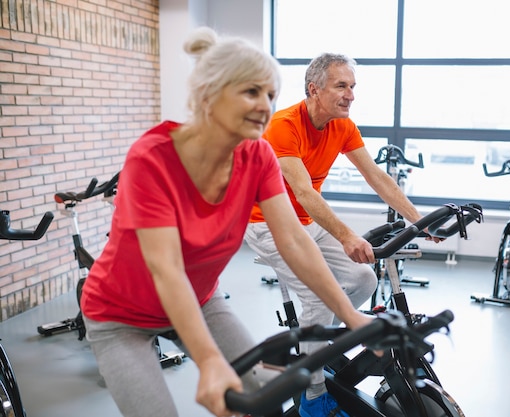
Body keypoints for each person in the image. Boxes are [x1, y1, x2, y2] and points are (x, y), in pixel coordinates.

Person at [80, 28, 373, 417]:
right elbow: (166, 270)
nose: (265, 105)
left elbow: (294, 240)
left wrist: (351, 314)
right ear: (210, 94)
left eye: (270, 95)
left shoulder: (258, 156)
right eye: (251, 92)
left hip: (201, 300)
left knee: (260, 397)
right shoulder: (152, 158)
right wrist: (210, 361)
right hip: (121, 317)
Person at [245, 53, 440, 417]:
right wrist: (348, 235)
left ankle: (317, 352)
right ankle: (313, 396)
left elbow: (377, 176)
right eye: (341, 86)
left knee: (363, 279)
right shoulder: (283, 126)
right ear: (313, 89)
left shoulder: (343, 126)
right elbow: (303, 192)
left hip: (307, 223)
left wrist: (419, 220)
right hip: (268, 223)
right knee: (321, 296)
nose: (350, 94)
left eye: (353, 86)